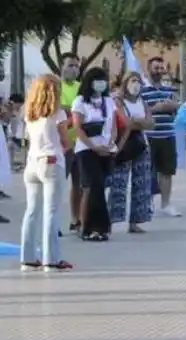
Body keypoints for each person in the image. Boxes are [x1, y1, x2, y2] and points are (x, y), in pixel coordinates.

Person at [20, 75, 73, 271]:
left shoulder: (29, 114)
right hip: (51, 162)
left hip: (32, 163)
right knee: (51, 212)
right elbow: (66, 142)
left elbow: (27, 140)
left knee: (32, 211)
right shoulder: (58, 114)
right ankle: (51, 258)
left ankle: (27, 257)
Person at [71, 67, 118, 242]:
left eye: (103, 80)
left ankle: (101, 227)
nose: (101, 83)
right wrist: (93, 146)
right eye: (98, 80)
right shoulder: (80, 102)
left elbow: (113, 126)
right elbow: (78, 128)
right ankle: (87, 227)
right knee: (91, 186)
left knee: (100, 187)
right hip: (86, 149)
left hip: (105, 148)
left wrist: (110, 144)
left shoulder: (109, 101)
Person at [107, 71, 154, 234]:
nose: (136, 84)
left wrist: (137, 121)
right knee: (118, 184)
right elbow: (126, 122)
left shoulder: (142, 101)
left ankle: (135, 222)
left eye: (138, 81)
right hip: (124, 144)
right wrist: (140, 122)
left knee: (141, 184)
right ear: (125, 82)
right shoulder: (117, 100)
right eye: (133, 80)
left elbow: (151, 123)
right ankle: (111, 220)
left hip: (141, 145)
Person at [140, 56, 181, 217]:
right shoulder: (142, 90)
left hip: (168, 135)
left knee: (167, 171)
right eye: (155, 68)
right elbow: (139, 112)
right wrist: (157, 108)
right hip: (149, 136)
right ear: (149, 69)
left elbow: (178, 111)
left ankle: (166, 204)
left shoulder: (170, 90)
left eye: (160, 68)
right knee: (147, 172)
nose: (158, 71)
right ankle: (147, 203)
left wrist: (174, 106)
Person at [59, 53, 81, 234]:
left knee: (79, 184)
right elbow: (59, 110)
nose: (74, 69)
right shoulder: (55, 87)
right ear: (62, 67)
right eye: (70, 65)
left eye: (76, 66)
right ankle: (53, 222)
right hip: (62, 143)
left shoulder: (80, 87)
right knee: (57, 185)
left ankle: (76, 219)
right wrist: (75, 110)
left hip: (80, 142)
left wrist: (71, 110)